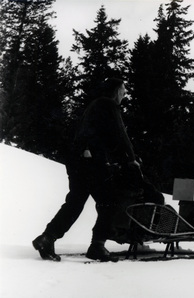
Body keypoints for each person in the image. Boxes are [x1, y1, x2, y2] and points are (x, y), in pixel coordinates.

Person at [32, 78, 140, 262]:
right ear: (115, 90)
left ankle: (47, 238)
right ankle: (97, 245)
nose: (125, 93)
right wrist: (132, 159)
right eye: (123, 88)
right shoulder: (108, 105)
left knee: (75, 202)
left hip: (76, 159)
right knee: (110, 202)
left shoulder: (94, 106)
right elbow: (120, 135)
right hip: (90, 162)